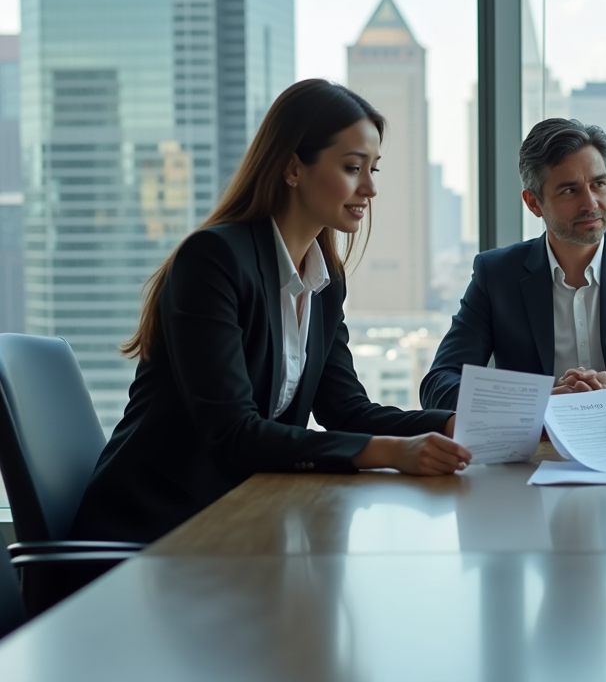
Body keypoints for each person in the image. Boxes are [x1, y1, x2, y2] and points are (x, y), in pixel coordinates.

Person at [72, 79, 472, 545]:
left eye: (373, 170)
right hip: (154, 530)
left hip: (241, 522)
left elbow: (346, 409)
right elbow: (235, 435)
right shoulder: (214, 260)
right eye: (351, 167)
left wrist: (448, 423)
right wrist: (389, 452)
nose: (369, 188)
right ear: (292, 168)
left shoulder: (324, 281)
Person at [421, 117, 606, 412]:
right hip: (536, 451)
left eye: (599, 184)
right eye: (570, 190)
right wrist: (538, 404)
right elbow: (439, 385)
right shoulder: (497, 275)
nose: (591, 203)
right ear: (533, 203)